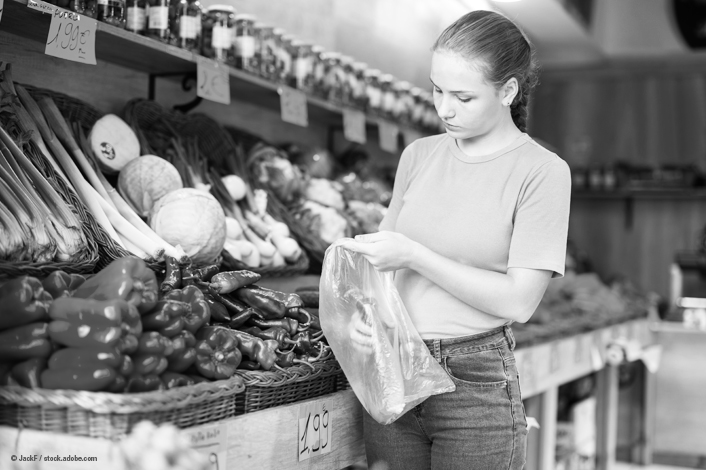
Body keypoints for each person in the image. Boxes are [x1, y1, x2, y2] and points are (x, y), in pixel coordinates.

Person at [342, 10, 571, 470]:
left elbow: (519, 302)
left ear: (507, 91)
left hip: (475, 382)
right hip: (395, 370)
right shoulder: (418, 155)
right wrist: (365, 315)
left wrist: (417, 256)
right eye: (437, 89)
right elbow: (382, 262)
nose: (444, 109)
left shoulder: (542, 172)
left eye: (463, 97)